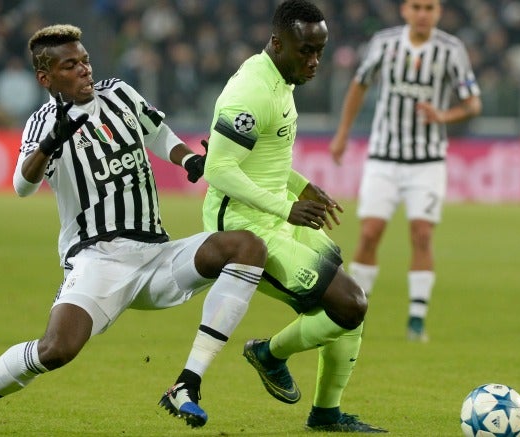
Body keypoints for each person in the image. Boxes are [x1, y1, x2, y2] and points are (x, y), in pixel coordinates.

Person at [0, 24, 267, 432]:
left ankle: (187, 383)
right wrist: (52, 141)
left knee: (247, 247)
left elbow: (158, 133)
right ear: (46, 77)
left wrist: (188, 160)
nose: (84, 70)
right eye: (70, 65)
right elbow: (22, 185)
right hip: (98, 257)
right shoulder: (41, 124)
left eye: (85, 60)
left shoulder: (120, 93)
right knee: (55, 349)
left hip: (158, 254)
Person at [201, 1, 387, 433]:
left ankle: (325, 414)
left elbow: (261, 159)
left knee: (350, 303)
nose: (314, 61)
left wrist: (297, 183)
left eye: (319, 50)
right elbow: (219, 169)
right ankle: (268, 353)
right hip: (243, 232)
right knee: (348, 305)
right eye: (306, 51)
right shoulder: (251, 91)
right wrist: (287, 206)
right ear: (277, 43)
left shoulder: (280, 80)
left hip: (273, 217)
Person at [329, 0, 482, 342]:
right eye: (417, 6)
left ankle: (416, 319)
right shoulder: (384, 43)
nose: (423, 13)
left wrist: (444, 116)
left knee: (422, 235)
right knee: (369, 233)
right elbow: (359, 84)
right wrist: (342, 134)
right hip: (383, 157)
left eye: (430, 7)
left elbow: (473, 103)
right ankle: (355, 311)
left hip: (427, 162)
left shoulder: (450, 50)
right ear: (405, 11)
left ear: (438, 12)